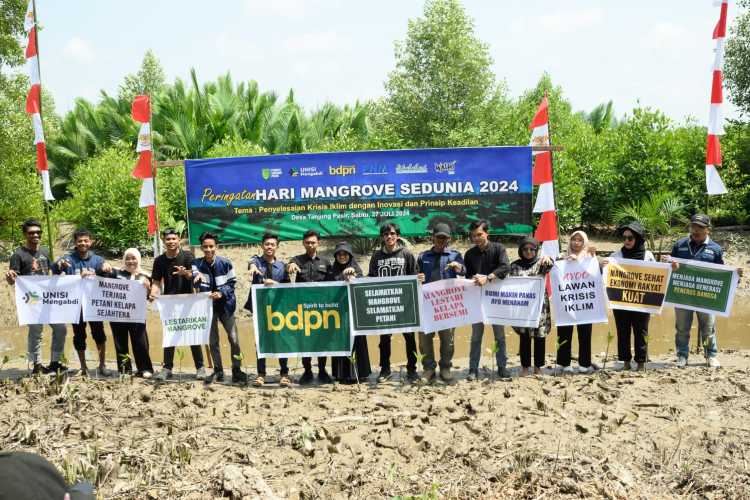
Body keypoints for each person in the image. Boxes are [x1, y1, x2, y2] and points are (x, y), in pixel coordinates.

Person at [669, 214, 742, 368]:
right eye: (693, 226)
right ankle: (682, 356)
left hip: (707, 297)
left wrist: (735, 275)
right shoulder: (679, 245)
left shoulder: (715, 249)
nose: (695, 230)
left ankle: (710, 355)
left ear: (707, 230)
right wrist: (671, 266)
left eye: (700, 227)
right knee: (682, 328)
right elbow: (668, 270)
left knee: (708, 329)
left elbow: (722, 274)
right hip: (682, 295)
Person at [4, 220, 68, 375]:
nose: (35, 235)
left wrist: (61, 267)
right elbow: (13, 279)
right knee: (36, 333)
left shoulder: (46, 251)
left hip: (48, 298)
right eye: (31, 232)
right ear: (25, 234)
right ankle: (37, 365)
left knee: (61, 329)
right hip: (31, 300)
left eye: (38, 232)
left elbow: (53, 270)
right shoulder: (18, 255)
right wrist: (10, 277)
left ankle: (55, 362)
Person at [52, 228, 112, 376]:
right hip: (75, 306)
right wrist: (60, 266)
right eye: (80, 241)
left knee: (99, 334)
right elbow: (54, 269)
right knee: (79, 336)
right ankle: (83, 367)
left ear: (90, 242)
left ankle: (102, 365)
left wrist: (106, 268)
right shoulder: (68, 259)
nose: (83, 243)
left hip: (94, 305)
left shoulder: (97, 259)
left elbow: (106, 275)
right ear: (75, 243)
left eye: (86, 240)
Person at [150, 229, 206, 381]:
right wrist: (154, 293)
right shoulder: (159, 260)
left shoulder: (188, 256)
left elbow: (195, 276)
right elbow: (155, 281)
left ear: (179, 239)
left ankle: (200, 367)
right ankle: (167, 368)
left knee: (192, 332)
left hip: (188, 300)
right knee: (170, 335)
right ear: (163, 241)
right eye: (168, 239)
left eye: (174, 238)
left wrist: (185, 274)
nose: (171, 242)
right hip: (169, 302)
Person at [192, 231, 247, 384]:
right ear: (201, 248)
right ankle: (218, 370)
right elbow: (195, 277)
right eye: (205, 247)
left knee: (234, 339)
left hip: (226, 306)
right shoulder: (197, 264)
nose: (208, 250)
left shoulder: (226, 263)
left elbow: (232, 283)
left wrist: (221, 293)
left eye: (211, 246)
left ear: (216, 246)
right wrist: (195, 278)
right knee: (213, 341)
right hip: (207, 307)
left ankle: (237, 369)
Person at [368, 223, 420, 383]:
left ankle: (412, 369)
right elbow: (371, 277)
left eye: (392, 233)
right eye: (385, 234)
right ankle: (385, 369)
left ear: (397, 235)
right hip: (384, 304)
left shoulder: (406, 254)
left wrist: (419, 279)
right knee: (384, 339)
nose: (389, 236)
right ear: (382, 237)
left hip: (405, 304)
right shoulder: (376, 256)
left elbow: (414, 275)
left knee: (410, 338)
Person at [416, 223, 464, 382]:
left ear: (449, 239)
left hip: (447, 306)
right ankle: (429, 368)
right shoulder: (423, 257)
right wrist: (418, 279)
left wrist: (459, 269)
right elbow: (415, 277)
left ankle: (445, 367)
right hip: (427, 306)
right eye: (439, 237)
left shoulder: (455, 256)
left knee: (448, 340)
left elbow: (465, 273)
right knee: (424, 340)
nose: (442, 240)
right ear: (433, 237)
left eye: (445, 238)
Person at [464, 220, 511, 380]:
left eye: (479, 234)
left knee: (500, 335)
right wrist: (473, 277)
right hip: (477, 300)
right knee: (476, 336)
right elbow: (467, 276)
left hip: (496, 300)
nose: (476, 238)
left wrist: (488, 277)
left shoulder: (499, 249)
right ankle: (472, 369)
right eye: (473, 236)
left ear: (486, 233)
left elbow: (505, 267)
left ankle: (502, 367)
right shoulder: (469, 254)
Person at [286, 230, 334, 385]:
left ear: (318, 243)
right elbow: (289, 267)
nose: (310, 245)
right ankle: (307, 371)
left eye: (313, 242)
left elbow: (333, 283)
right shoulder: (297, 260)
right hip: (303, 309)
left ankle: (322, 370)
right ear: (303, 243)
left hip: (322, 308)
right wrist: (290, 265)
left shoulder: (326, 262)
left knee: (321, 340)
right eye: (307, 242)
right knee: (305, 340)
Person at [245, 233, 292, 388]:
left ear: (277, 247)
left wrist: (275, 283)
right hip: (260, 308)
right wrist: (252, 267)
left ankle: (284, 373)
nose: (269, 247)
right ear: (262, 245)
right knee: (260, 340)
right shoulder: (257, 262)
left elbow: (287, 288)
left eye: (272, 244)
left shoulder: (282, 266)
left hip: (279, 309)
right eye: (266, 244)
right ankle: (261, 374)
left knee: (282, 339)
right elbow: (251, 262)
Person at [608, 222, 655, 371]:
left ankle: (641, 362)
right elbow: (605, 276)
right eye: (625, 238)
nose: (627, 241)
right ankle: (626, 362)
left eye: (630, 238)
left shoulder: (648, 256)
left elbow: (657, 277)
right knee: (623, 331)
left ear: (639, 239)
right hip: (621, 301)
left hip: (642, 301)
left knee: (641, 331)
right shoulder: (615, 257)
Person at [328, 241, 371, 384]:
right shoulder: (331, 271)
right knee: (339, 341)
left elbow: (362, 286)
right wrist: (342, 277)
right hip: (338, 313)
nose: (342, 256)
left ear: (349, 255)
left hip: (354, 313)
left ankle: (360, 373)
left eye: (345, 254)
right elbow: (325, 289)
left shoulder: (356, 270)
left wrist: (352, 277)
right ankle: (341, 374)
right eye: (339, 254)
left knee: (358, 342)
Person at [509, 237, 553, 376]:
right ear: (520, 251)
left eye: (532, 249)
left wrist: (548, 258)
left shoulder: (542, 263)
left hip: (540, 307)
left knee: (540, 337)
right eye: (525, 249)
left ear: (536, 250)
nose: (528, 252)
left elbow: (552, 264)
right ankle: (525, 367)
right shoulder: (514, 266)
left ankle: (538, 367)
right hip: (522, 307)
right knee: (524, 337)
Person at [107, 248, 154, 377]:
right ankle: (124, 370)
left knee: (140, 342)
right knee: (120, 343)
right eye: (128, 258)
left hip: (136, 315)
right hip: (118, 315)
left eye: (133, 258)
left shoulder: (146, 275)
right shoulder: (115, 272)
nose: (130, 261)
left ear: (138, 259)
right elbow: (101, 285)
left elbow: (151, 297)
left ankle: (145, 368)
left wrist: (148, 288)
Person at [556, 230, 597, 374]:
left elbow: (596, 274)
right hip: (567, 300)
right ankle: (564, 363)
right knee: (564, 330)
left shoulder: (590, 257)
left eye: (580, 240)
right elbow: (554, 271)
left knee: (585, 332)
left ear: (584, 242)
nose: (576, 242)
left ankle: (584, 364)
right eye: (574, 239)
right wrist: (564, 260)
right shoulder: (562, 257)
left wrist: (596, 260)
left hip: (585, 300)